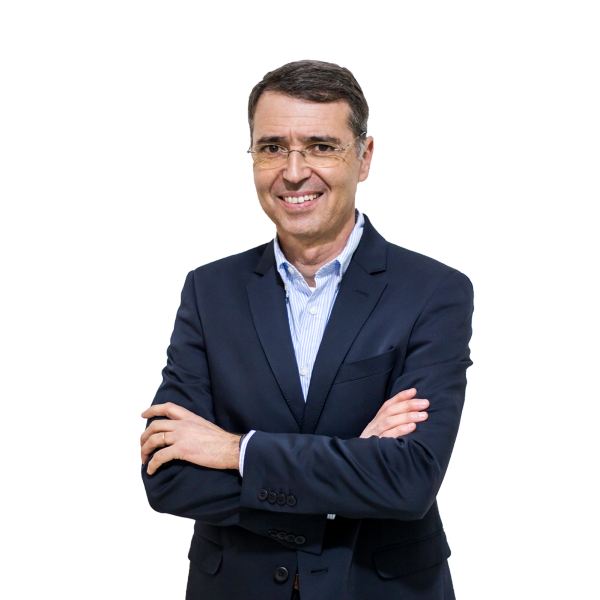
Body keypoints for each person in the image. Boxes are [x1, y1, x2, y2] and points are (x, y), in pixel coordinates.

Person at [140, 59, 473, 600]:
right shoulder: (208, 290)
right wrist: (352, 464)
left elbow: (408, 480)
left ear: (364, 157)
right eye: (272, 147)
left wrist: (236, 451)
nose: (294, 172)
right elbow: (169, 477)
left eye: (321, 146)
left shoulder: (435, 291)